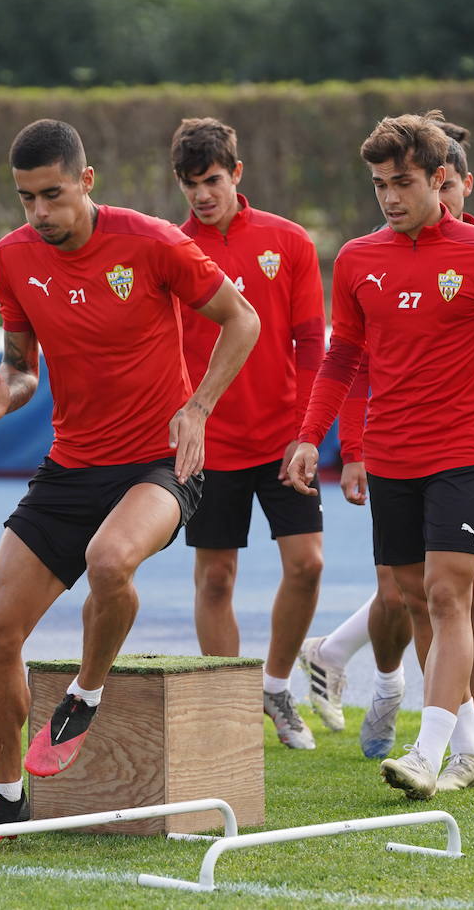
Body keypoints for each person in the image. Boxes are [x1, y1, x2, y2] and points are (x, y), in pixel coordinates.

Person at [0, 119, 259, 853]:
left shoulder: (152, 242)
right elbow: (22, 362)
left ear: (87, 182)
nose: (38, 214)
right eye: (25, 199)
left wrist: (199, 407)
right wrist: (10, 392)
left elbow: (240, 319)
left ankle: (85, 693)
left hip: (159, 461)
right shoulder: (12, 258)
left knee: (110, 561)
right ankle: (5, 799)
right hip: (71, 465)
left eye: (52, 195)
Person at [286, 111, 474, 801]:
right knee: (410, 599)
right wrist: (310, 438)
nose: (389, 197)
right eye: (379, 184)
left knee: (449, 595)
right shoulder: (356, 259)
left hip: (466, 451)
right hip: (391, 456)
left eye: (402, 182)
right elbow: (342, 356)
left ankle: (428, 754)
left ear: (443, 180)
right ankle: (471, 748)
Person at [170, 117, 327, 749]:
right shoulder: (170, 248)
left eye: (211, 181)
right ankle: (232, 715)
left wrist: (308, 432)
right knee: (216, 579)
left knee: (309, 565)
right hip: (210, 444)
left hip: (283, 438)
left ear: (236, 173)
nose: (201, 196)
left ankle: (274, 684)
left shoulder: (288, 242)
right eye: (188, 184)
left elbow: (314, 343)